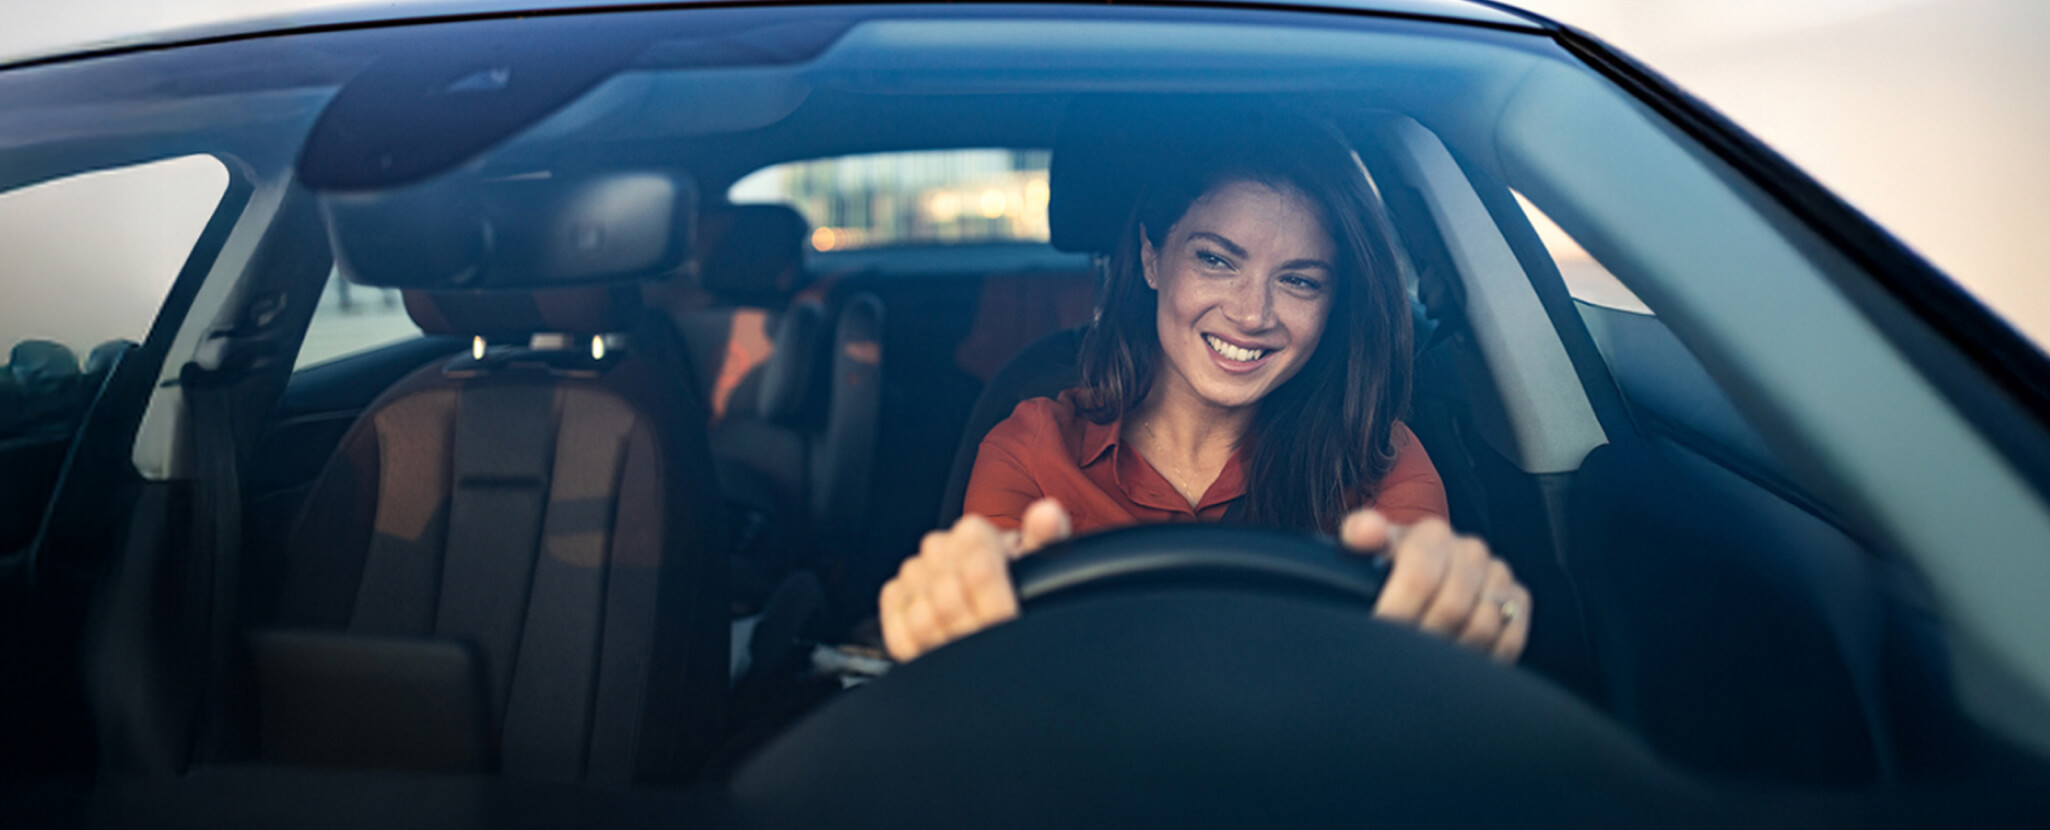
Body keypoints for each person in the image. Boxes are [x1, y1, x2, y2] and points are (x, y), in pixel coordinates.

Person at [880, 118, 1530, 665]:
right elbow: (985, 679)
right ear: (1152, 258)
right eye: (1216, 260)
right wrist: (948, 606)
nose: (1253, 314)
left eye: (1300, 282)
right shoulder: (1030, 446)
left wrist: (1461, 605)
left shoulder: (1378, 462)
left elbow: (1408, 685)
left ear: (1334, 303)